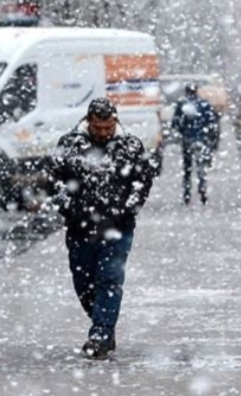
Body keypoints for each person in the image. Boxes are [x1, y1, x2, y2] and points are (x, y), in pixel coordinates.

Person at [48, 97, 159, 358]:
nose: (102, 133)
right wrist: (68, 207)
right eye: (97, 128)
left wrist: (127, 209)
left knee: (109, 279)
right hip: (80, 227)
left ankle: (100, 333)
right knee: (83, 282)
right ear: (88, 122)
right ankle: (103, 325)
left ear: (115, 121)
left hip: (117, 227)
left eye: (107, 128)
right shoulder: (69, 145)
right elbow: (54, 180)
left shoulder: (131, 146)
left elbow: (142, 182)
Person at [172, 83, 219, 204]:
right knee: (201, 166)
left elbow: (176, 123)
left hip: (187, 139)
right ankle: (202, 189)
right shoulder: (204, 104)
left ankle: (187, 192)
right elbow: (212, 121)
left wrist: (182, 131)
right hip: (201, 139)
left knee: (187, 168)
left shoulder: (182, 104)